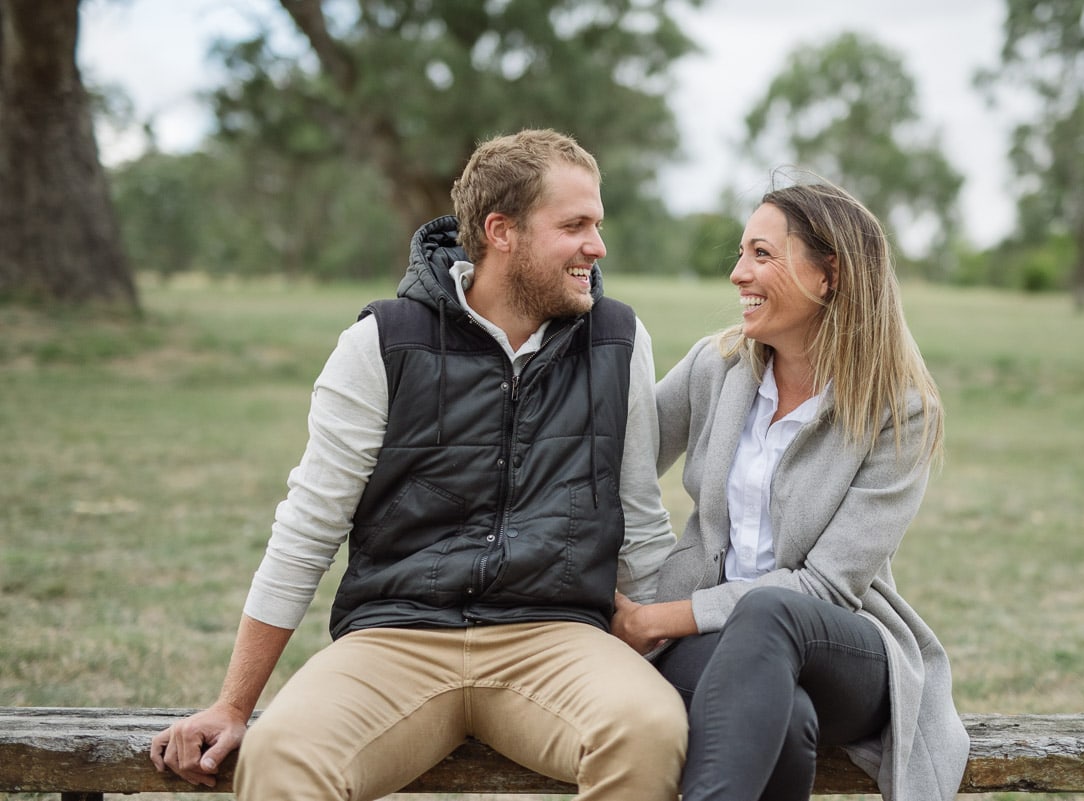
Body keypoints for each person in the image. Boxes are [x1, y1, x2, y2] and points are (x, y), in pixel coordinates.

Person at [149, 129, 687, 801]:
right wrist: (232, 704)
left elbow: (638, 521)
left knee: (649, 728)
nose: (598, 247)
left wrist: (678, 653)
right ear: (502, 231)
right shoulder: (382, 341)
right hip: (395, 637)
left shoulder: (618, 341)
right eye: (575, 225)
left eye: (597, 224)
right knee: (282, 755)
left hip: (555, 638)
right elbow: (307, 529)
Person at [612, 176, 970, 801]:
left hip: (843, 647)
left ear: (828, 273)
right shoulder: (715, 366)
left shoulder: (900, 411)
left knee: (771, 611)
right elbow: (616, 459)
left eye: (761, 254)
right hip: (720, 645)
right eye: (741, 252)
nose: (737, 274)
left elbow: (828, 586)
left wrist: (659, 617)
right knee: (787, 721)